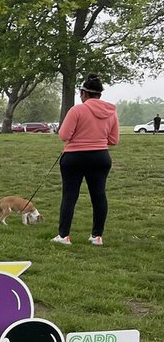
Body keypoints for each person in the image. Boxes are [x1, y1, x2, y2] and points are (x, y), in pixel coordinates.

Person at [52, 74, 119, 247]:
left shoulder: (77, 110)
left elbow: (64, 135)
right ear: (99, 94)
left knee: (69, 196)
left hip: (74, 157)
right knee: (99, 196)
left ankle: (63, 235)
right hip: (100, 157)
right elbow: (113, 140)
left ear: (83, 93)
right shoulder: (111, 112)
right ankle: (97, 236)